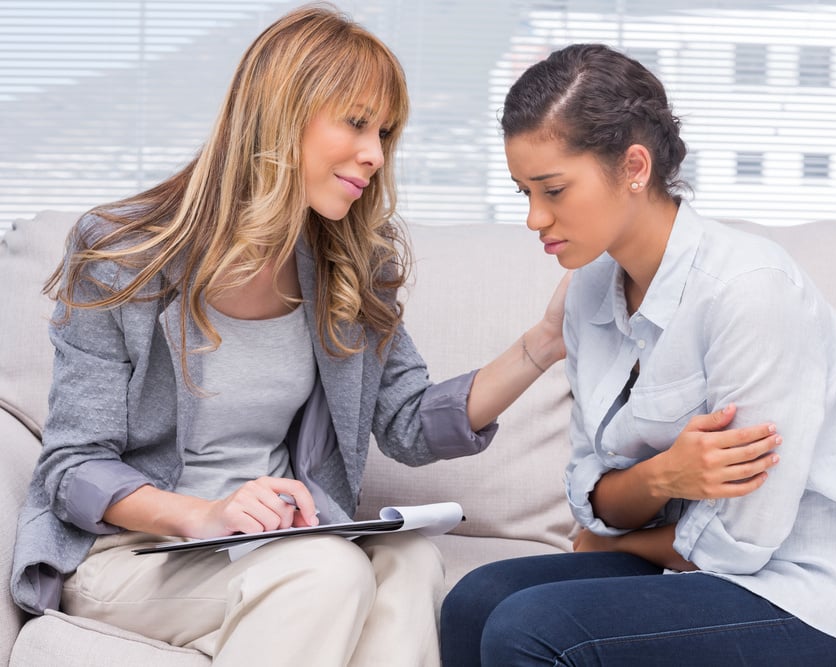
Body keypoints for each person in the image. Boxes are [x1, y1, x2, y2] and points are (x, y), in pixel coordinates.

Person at [8, 6, 571, 666]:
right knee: (327, 570)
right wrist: (202, 514)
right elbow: (73, 467)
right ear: (282, 114)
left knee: (411, 560)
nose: (375, 153)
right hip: (135, 554)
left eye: (385, 132)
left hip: (278, 548)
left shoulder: (346, 267)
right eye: (357, 123)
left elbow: (411, 420)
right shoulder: (123, 258)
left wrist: (541, 344)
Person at [439, 43, 836, 666]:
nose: (534, 218)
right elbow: (590, 493)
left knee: (529, 628)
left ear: (634, 166)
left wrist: (614, 545)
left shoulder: (750, 292)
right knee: (474, 600)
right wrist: (661, 477)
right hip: (685, 570)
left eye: (552, 189)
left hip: (804, 594)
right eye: (524, 190)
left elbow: (741, 542)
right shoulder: (587, 292)